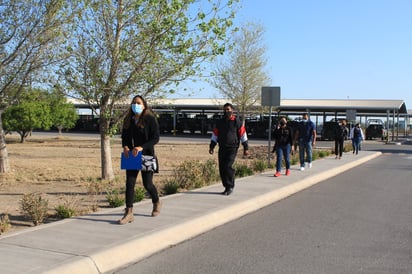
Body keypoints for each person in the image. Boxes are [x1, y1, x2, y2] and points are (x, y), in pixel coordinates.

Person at [119, 95, 161, 225]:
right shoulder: (129, 120)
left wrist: (142, 147)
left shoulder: (150, 119)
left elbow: (155, 138)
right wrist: (126, 146)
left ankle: (156, 201)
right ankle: (129, 212)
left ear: (144, 105)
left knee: (147, 184)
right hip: (132, 155)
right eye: (133, 103)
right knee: (129, 183)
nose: (135, 105)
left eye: (138, 103)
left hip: (146, 155)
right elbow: (125, 137)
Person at [209, 103, 249, 195]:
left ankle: (230, 186)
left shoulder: (237, 122)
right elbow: (215, 135)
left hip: (232, 148)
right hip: (222, 147)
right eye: (225, 110)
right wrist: (211, 146)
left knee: (228, 166)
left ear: (232, 110)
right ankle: (226, 186)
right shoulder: (220, 122)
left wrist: (245, 148)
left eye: (228, 109)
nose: (226, 111)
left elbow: (243, 135)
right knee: (222, 168)